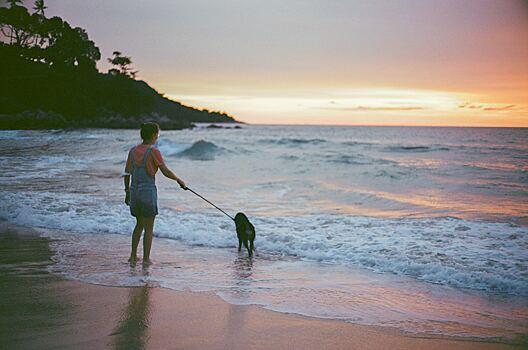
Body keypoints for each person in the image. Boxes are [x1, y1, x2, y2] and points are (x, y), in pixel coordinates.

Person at [123, 122, 187, 265]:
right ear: (153, 135)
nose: (157, 137)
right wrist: (178, 180)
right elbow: (165, 171)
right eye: (157, 134)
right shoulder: (153, 151)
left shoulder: (132, 151)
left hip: (134, 190)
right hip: (147, 191)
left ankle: (133, 256)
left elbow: (127, 173)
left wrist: (127, 191)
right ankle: (146, 260)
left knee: (139, 224)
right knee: (149, 227)